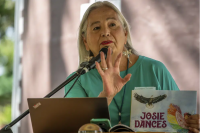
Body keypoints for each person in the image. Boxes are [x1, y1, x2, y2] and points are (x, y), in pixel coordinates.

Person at [65, 1, 200, 132]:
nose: (105, 32)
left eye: (112, 24)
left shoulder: (155, 70)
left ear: (125, 34)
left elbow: (180, 123)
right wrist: (106, 97)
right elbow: (73, 128)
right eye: (96, 28)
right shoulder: (76, 81)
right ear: (85, 41)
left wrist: (193, 125)